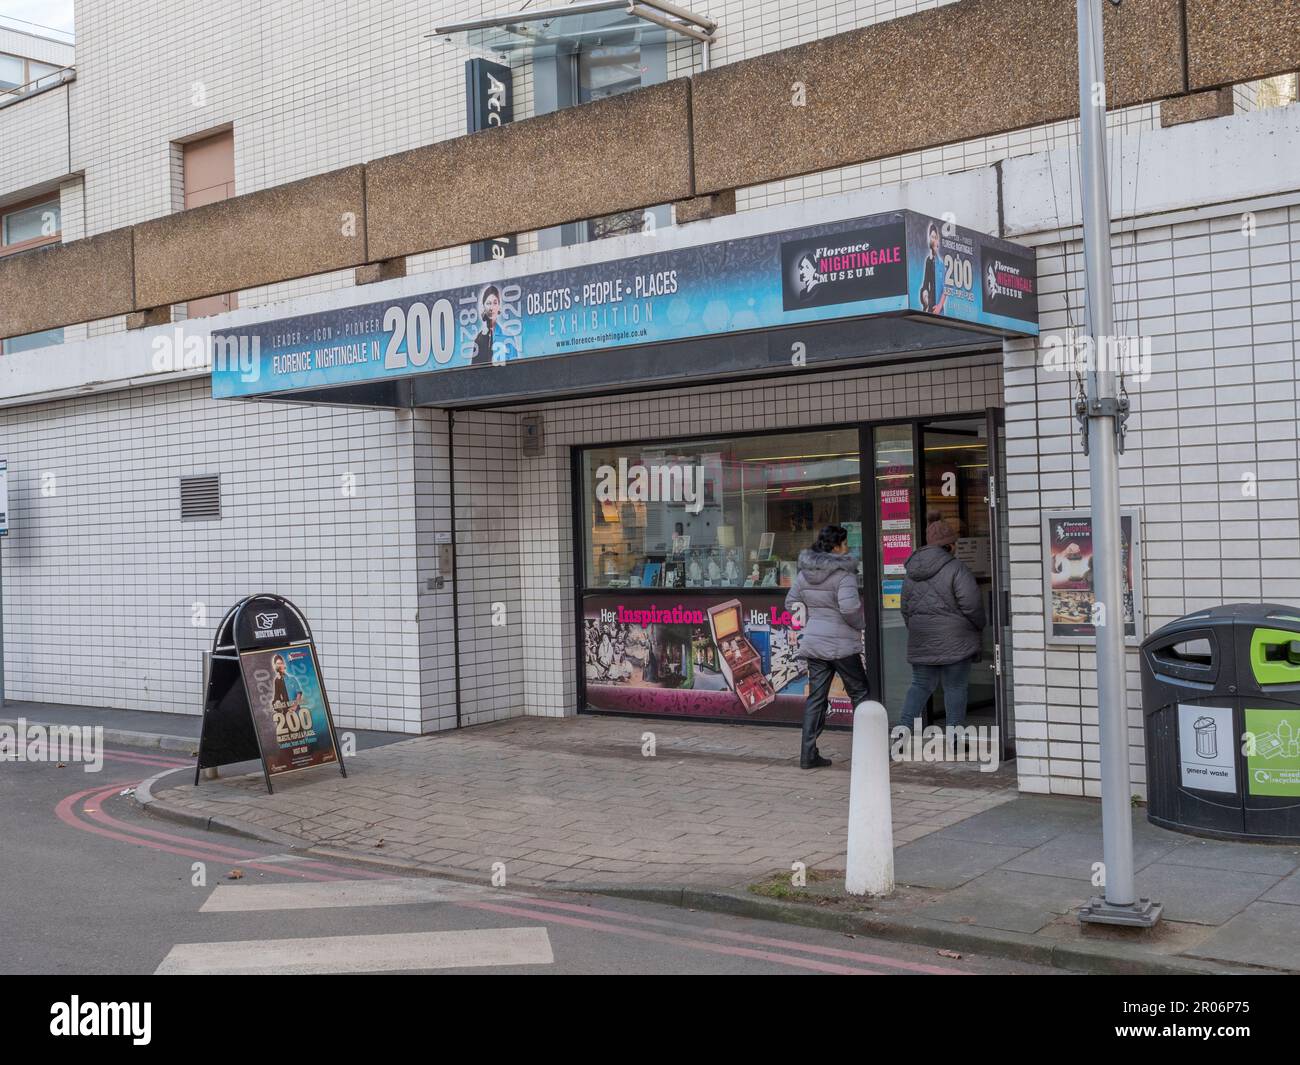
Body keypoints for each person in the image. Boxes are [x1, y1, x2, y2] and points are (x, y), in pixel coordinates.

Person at [785, 524, 870, 769]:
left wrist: (811, 622)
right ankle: (869, 749)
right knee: (861, 694)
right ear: (835, 547)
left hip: (814, 643)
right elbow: (850, 609)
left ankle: (808, 755)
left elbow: (791, 603)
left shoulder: (804, 574)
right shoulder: (844, 575)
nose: (848, 548)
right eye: (845, 543)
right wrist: (860, 625)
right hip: (842, 646)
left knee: (816, 698)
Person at [899, 519, 986, 735]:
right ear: (950, 545)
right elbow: (972, 605)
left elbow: (905, 608)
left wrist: (919, 629)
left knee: (919, 686)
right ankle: (955, 738)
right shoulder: (956, 568)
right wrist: (978, 626)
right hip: (957, 640)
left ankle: (902, 733)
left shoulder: (911, 570)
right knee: (955, 688)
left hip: (922, 638)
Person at [472, 285, 501, 364]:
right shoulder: (479, 339)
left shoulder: (507, 335)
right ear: (483, 307)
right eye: (488, 303)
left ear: (499, 306)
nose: (491, 308)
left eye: (495, 303)